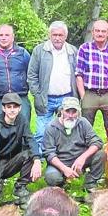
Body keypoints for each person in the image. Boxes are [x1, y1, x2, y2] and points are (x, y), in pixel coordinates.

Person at [0, 93, 42, 207]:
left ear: (19, 108)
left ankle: (20, 187)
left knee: (30, 155)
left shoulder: (22, 121)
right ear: (3, 108)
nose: (12, 110)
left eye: (15, 107)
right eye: (9, 107)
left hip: (14, 160)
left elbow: (31, 140)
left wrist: (37, 160)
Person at [28, 21, 78, 150]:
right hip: (46, 98)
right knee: (41, 132)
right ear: (49, 35)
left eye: (60, 35)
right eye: (54, 34)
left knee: (68, 130)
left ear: (65, 36)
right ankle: (38, 160)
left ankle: (65, 156)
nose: (57, 38)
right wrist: (37, 94)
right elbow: (32, 75)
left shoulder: (72, 51)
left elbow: (78, 74)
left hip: (66, 97)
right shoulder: (40, 51)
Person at [43, 97, 105, 192]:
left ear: (78, 112)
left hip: (79, 160)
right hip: (60, 161)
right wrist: (64, 169)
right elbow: (49, 153)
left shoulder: (83, 122)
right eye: (68, 111)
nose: (71, 115)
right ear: (61, 111)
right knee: (52, 177)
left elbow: (97, 142)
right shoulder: (51, 127)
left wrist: (82, 158)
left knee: (101, 154)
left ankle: (90, 183)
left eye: (74, 112)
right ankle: (61, 184)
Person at [75, 19, 108, 132]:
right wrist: (83, 96)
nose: (100, 34)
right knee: (84, 127)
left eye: (103, 31)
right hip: (90, 93)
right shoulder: (84, 48)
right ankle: (84, 149)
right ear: (92, 32)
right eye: (97, 31)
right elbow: (79, 74)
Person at [0, 24, 32, 122]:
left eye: (7, 35)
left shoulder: (23, 53)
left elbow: (30, 73)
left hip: (20, 97)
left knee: (23, 130)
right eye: (1, 35)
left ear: (13, 37)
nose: (3, 38)